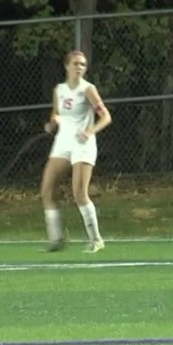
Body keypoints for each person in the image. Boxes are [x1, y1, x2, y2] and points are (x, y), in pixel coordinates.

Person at [40, 49, 112, 253]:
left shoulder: (88, 89)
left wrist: (91, 131)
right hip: (63, 142)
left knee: (79, 193)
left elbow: (106, 116)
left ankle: (96, 240)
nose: (80, 67)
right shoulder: (59, 90)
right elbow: (56, 113)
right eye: (76, 64)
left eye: (83, 64)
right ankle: (56, 239)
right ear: (67, 66)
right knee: (47, 190)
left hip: (83, 143)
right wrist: (52, 123)